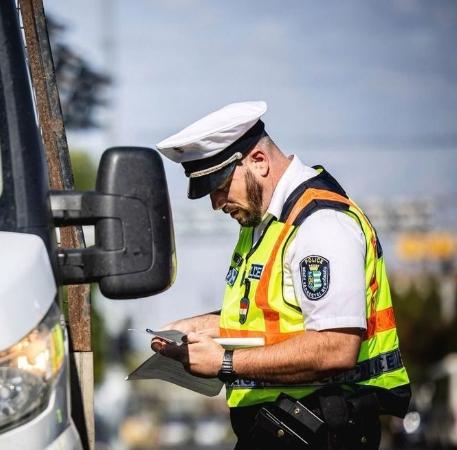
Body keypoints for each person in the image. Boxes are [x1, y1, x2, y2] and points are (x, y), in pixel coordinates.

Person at [152, 101, 410, 450]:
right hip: (287, 427)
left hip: (319, 430)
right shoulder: (264, 224)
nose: (216, 202)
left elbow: (336, 348)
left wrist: (224, 362)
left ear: (258, 161)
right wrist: (203, 326)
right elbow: (272, 317)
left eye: (220, 184)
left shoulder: (320, 224)